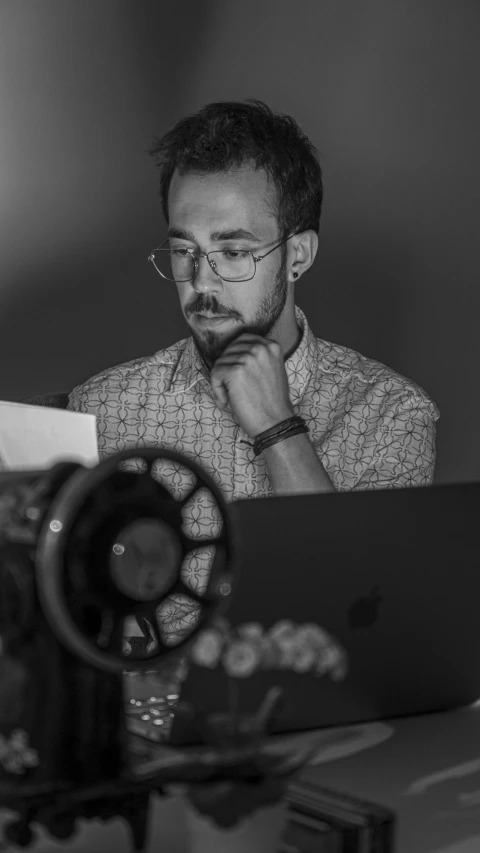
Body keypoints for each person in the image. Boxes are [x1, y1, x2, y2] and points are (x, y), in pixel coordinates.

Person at [68, 98, 439, 640]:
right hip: (146, 711)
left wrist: (278, 428)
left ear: (298, 256)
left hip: (316, 718)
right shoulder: (101, 409)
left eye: (235, 252)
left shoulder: (393, 416)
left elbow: (362, 614)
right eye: (182, 251)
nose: (202, 282)